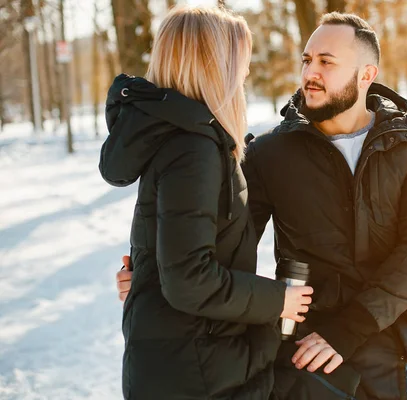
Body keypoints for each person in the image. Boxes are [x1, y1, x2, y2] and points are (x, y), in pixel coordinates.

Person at [117, 11, 407, 400]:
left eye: (326, 62)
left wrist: (349, 330)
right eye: (307, 60)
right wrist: (151, 275)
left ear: (366, 74)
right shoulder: (269, 155)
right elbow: (219, 247)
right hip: (318, 363)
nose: (310, 73)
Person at [100, 6, 312, 400]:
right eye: (241, 62)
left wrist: (145, 278)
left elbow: (173, 256)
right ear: (217, 66)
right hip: (197, 371)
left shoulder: (179, 139)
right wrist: (279, 300)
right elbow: (189, 279)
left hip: (182, 360)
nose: (245, 73)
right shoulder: (192, 148)